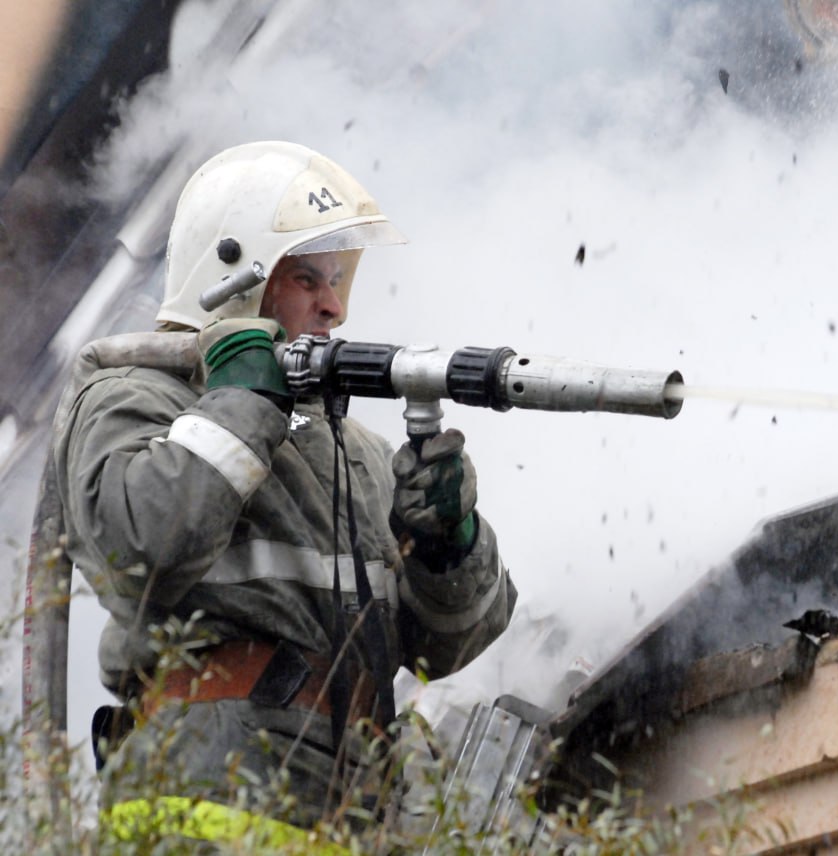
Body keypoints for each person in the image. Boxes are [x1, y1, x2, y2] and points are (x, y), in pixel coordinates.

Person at [53, 141, 516, 850]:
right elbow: (138, 550)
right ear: (235, 280)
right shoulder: (133, 395)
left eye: (338, 281)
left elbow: (438, 650)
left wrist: (449, 544)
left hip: (353, 806)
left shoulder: (351, 449)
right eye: (309, 279)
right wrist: (240, 397)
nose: (333, 307)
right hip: (209, 802)